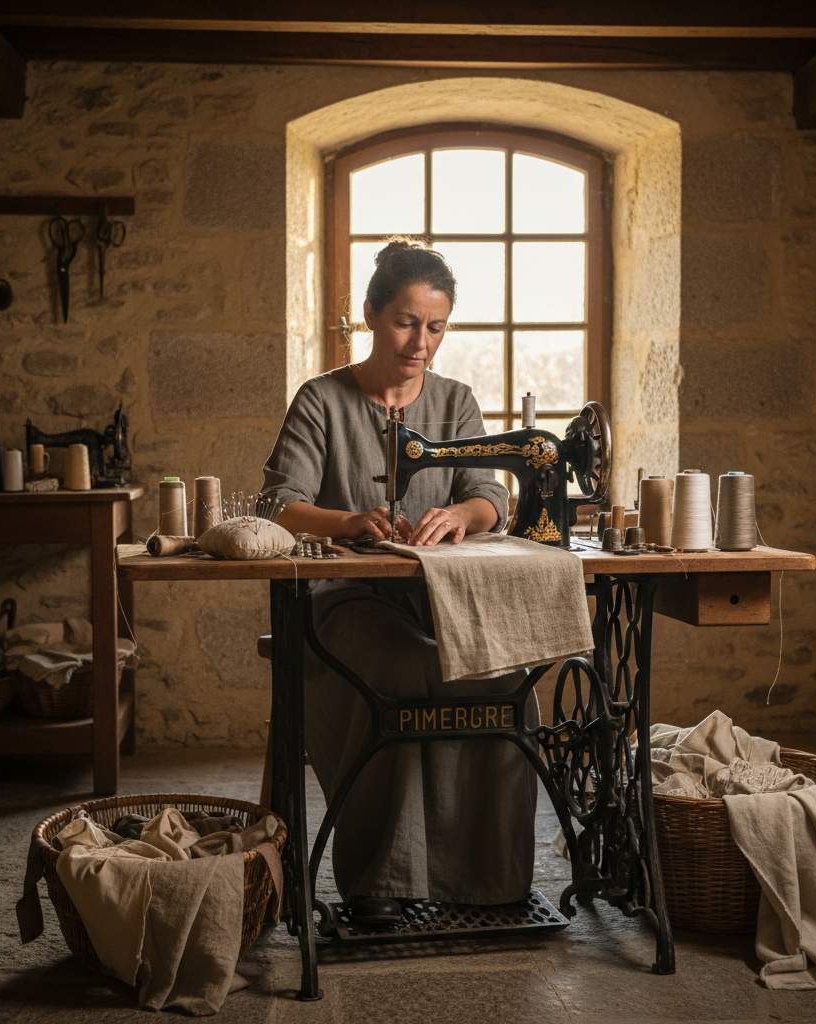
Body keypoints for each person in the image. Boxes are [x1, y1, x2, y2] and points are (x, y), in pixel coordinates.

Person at [261, 240, 538, 925]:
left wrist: (459, 514)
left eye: (436, 327)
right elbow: (279, 505)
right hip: (343, 601)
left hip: (438, 597)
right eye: (406, 323)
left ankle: (490, 877)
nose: (421, 343)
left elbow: (490, 497)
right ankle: (385, 878)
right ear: (370, 315)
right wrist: (350, 520)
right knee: (403, 669)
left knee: (509, 679)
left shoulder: (455, 401)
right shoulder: (322, 400)